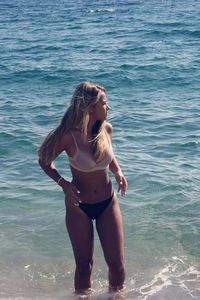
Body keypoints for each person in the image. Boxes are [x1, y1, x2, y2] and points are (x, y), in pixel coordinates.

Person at [38, 82, 128, 294]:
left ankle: (116, 297)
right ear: (91, 107)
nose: (108, 108)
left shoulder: (106, 129)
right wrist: (64, 185)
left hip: (107, 202)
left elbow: (108, 156)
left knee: (117, 264)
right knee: (84, 266)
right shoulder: (68, 136)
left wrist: (118, 172)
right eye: (104, 103)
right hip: (79, 207)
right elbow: (44, 160)